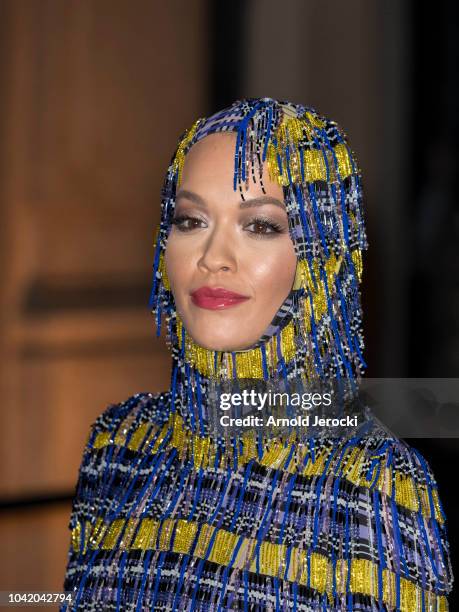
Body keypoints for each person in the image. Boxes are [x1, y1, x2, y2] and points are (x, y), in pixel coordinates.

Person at [61, 98, 453, 611]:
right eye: (190, 220)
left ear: (321, 257)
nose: (212, 258)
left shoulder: (373, 489)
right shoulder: (120, 445)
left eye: (261, 226)